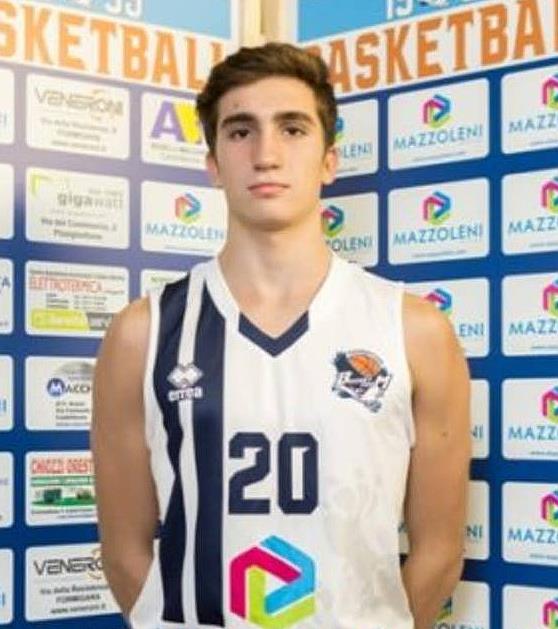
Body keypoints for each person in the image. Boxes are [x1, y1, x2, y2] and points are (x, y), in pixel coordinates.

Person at [92, 42, 471, 629]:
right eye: (240, 131)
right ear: (213, 163)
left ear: (328, 161)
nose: (266, 155)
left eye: (292, 129)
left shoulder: (415, 331)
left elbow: (439, 551)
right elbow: (123, 551)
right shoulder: (142, 334)